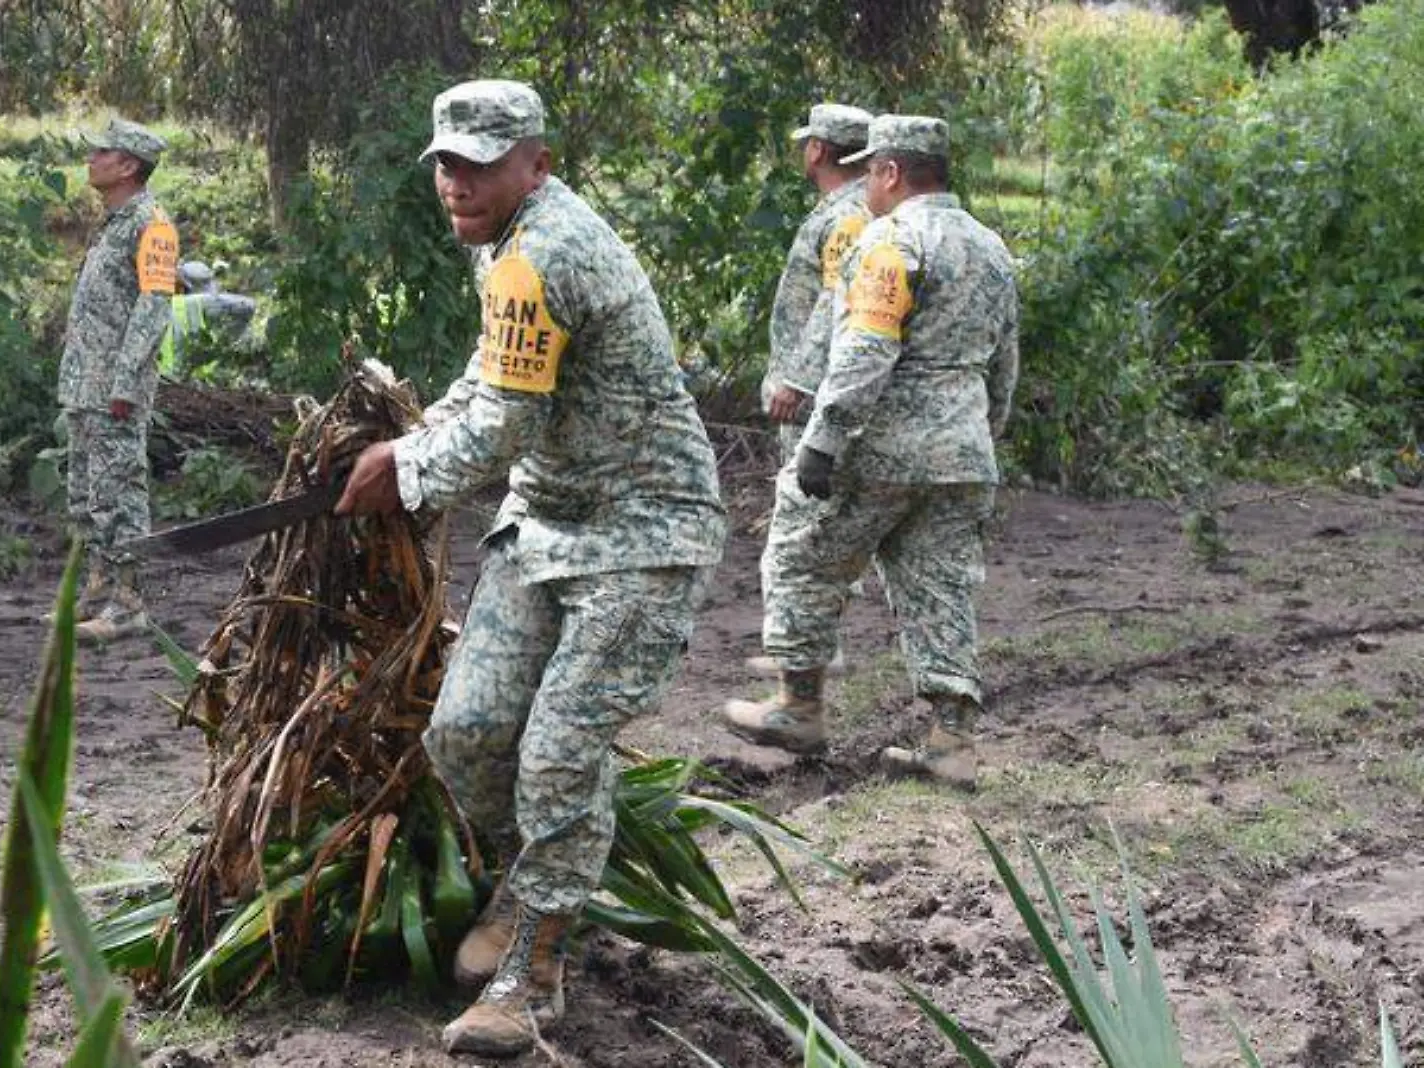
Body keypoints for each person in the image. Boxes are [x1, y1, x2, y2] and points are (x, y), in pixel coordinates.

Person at [334, 79, 727, 1057]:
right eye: (446, 165)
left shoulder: (546, 250)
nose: (457, 183)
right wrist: (421, 436)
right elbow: (491, 380)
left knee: (557, 751)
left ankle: (530, 975)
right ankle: (533, 882)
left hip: (644, 528)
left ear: (536, 163)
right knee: (463, 734)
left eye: (480, 163)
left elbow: (505, 424)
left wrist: (410, 469)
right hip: (546, 519)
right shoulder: (506, 248)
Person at [770, 115, 1019, 788]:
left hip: (885, 446)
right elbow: (1005, 361)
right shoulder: (990, 246)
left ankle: (798, 705)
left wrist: (822, 443)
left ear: (890, 172)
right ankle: (952, 742)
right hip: (962, 452)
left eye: (872, 170)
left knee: (801, 551)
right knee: (941, 587)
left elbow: (864, 352)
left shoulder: (891, 240)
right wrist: (983, 434)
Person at [727, 103, 875, 755]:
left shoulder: (846, 217)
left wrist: (800, 377)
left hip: (818, 399)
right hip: (816, 394)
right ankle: (809, 648)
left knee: (807, 529)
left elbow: (839, 302)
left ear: (819, 150)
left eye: (806, 143)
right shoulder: (847, 210)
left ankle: (809, 666)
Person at [58, 117, 178, 642]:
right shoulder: (113, 220)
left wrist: (126, 384)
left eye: (101, 152)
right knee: (86, 497)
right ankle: (97, 592)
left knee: (119, 496)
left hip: (114, 391)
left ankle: (128, 605)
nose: (91, 159)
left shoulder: (152, 224)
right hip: (86, 386)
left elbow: (153, 310)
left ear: (128, 165)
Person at [158, 260, 259, 376]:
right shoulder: (196, 303)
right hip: (178, 378)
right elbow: (249, 305)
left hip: (165, 377)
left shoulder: (165, 305)